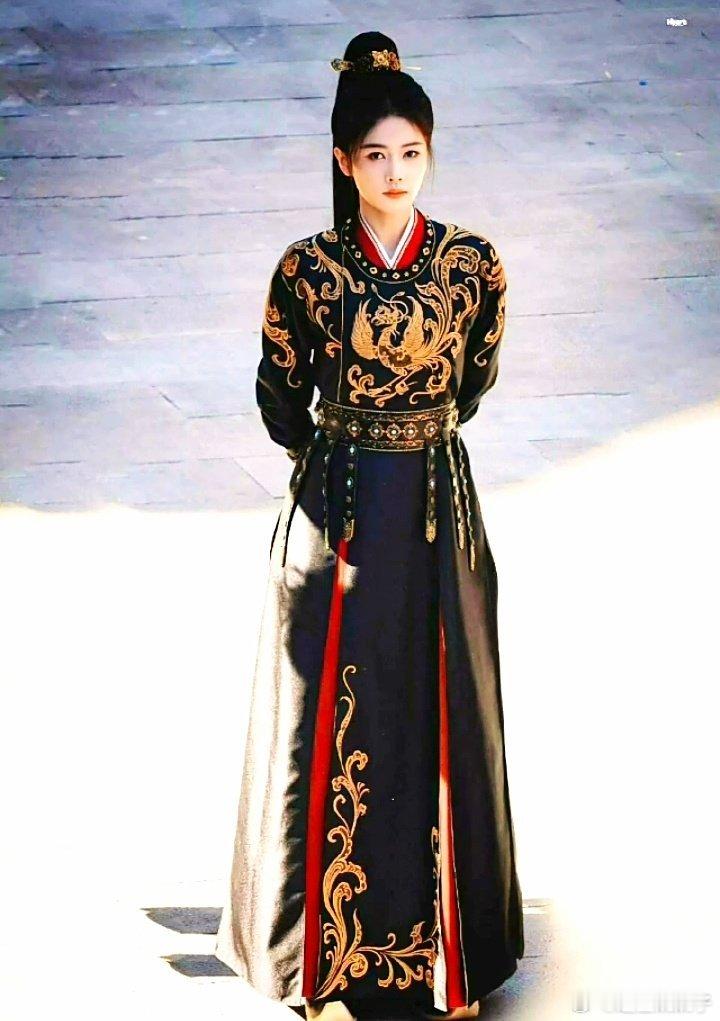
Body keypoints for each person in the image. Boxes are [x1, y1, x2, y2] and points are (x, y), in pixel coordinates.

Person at [214, 30, 524, 1021]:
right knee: (330, 718)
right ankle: (323, 965)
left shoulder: (473, 264)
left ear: (431, 153)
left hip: (434, 503)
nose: (396, 173)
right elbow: (278, 394)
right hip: (340, 512)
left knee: (439, 710)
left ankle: (445, 961)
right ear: (344, 162)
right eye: (376, 155)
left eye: (412, 153)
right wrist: (340, 451)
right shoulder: (306, 270)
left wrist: (404, 432)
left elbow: (474, 380)